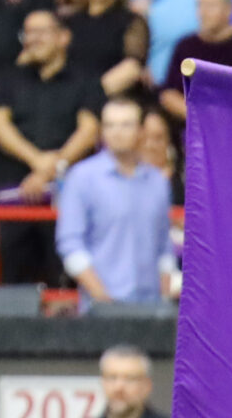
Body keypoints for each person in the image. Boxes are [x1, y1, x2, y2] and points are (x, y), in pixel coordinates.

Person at [0, 9, 103, 285]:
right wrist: (38, 161)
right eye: (29, 32)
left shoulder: (86, 79)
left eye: (42, 32)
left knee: (63, 280)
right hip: (15, 194)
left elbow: (89, 130)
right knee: (13, 283)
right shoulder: (9, 76)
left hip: (67, 195)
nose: (33, 39)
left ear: (63, 37)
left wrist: (52, 169)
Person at [57, 95, 177, 308]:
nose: (117, 132)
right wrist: (102, 298)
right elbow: (70, 244)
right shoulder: (81, 177)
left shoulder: (158, 181)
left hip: (151, 306)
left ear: (141, 131)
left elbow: (163, 244)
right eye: (109, 125)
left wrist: (163, 296)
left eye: (126, 124)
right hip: (101, 308)